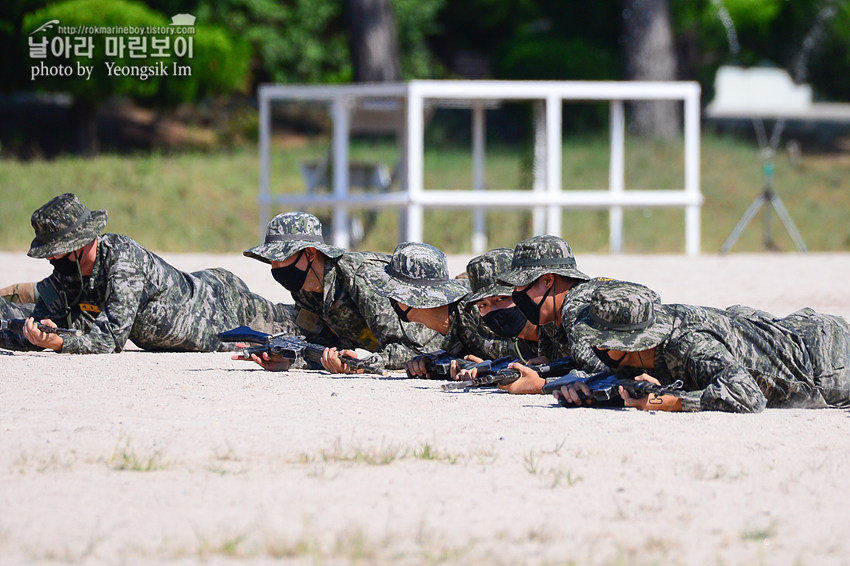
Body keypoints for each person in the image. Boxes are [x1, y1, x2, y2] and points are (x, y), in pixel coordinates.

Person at [19, 193, 296, 353]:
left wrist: (57, 342)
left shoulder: (122, 258)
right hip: (205, 304)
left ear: (79, 243)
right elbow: (45, 320)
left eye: (56, 250)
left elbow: (109, 339)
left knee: (300, 324)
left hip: (223, 305)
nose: (52, 258)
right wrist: (42, 332)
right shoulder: (70, 271)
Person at [561, 281, 850, 412]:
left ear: (628, 343)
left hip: (825, 362)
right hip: (791, 331)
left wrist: (671, 402)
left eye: (601, 340)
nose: (594, 347)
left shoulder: (689, 344)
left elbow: (748, 395)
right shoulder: (645, 347)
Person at [241, 211, 442, 372]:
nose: (275, 267)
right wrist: (289, 360)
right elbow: (323, 347)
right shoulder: (305, 289)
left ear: (310, 253)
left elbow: (413, 349)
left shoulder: (363, 277)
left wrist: (361, 364)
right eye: (271, 260)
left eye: (279, 258)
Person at [497, 234, 659, 393]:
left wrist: (542, 384)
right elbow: (573, 362)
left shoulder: (577, 308)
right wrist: (548, 366)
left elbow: (601, 375)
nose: (516, 292)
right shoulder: (550, 314)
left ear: (547, 281)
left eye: (520, 284)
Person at [367, 241, 515, 378]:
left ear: (409, 298)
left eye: (394, 294)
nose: (392, 300)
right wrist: (433, 361)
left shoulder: (479, 310)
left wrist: (490, 368)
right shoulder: (454, 322)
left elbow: (528, 355)